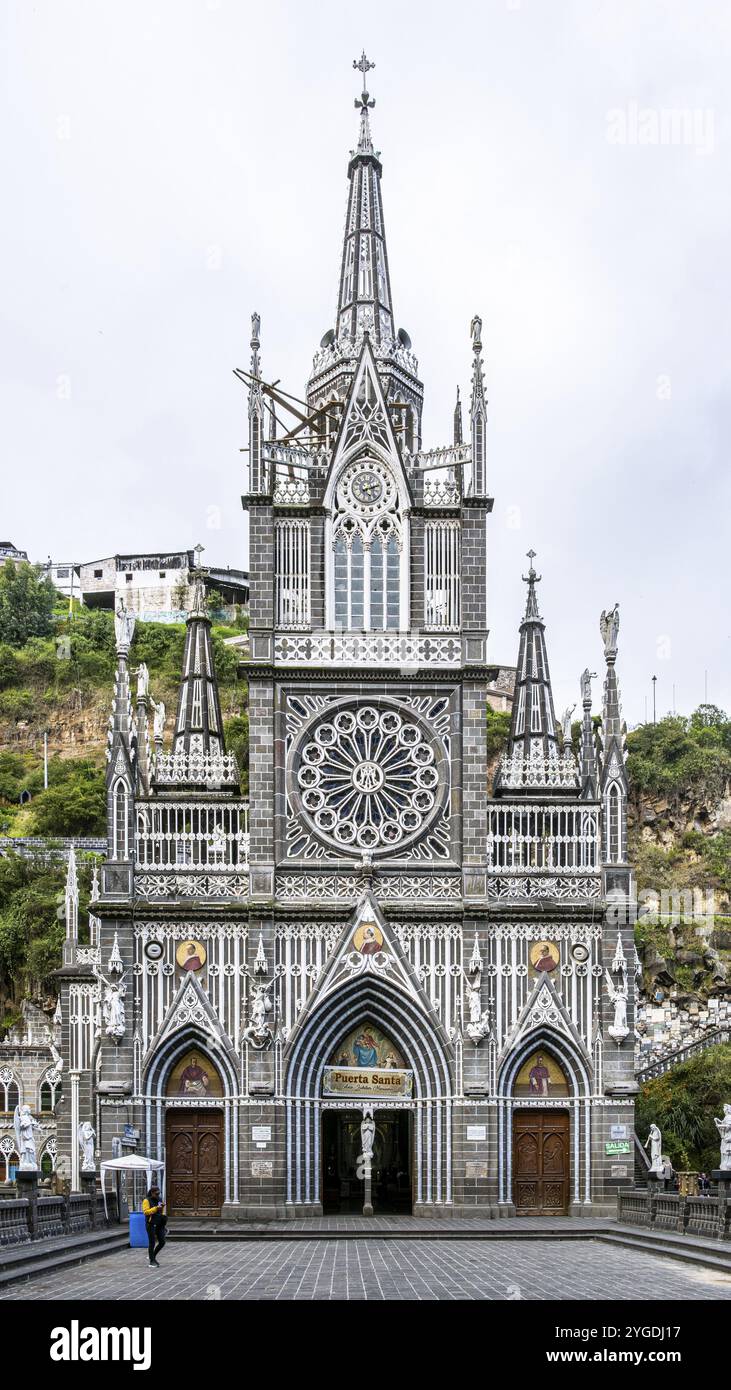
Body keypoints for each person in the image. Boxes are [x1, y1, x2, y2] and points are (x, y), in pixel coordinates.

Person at [142, 1185, 167, 1268]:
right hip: (150, 1223)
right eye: (156, 1194)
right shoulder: (146, 1200)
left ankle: (152, 1256)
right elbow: (146, 1212)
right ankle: (151, 1261)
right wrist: (156, 1208)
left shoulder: (159, 1199)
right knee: (152, 1242)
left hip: (159, 1222)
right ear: (152, 1193)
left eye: (159, 1193)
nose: (158, 1195)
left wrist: (162, 1209)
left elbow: (161, 1211)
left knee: (162, 1241)